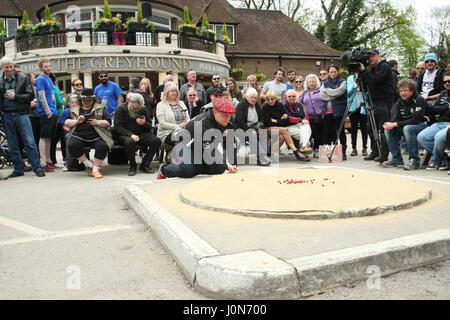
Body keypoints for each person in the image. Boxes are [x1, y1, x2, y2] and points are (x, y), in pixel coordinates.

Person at [156, 97, 238, 179]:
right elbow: (208, 151)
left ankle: (194, 167)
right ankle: (164, 169)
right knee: (187, 171)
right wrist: (226, 165)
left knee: (219, 168)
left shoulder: (229, 122)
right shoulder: (201, 125)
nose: (227, 118)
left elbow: (231, 141)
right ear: (215, 112)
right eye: (225, 115)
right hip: (184, 143)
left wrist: (232, 164)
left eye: (230, 115)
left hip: (201, 145)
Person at [0, 56, 45, 178]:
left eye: (11, 66)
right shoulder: (0, 80)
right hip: (7, 115)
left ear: (13, 67)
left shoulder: (23, 78)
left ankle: (37, 168)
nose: (9, 69)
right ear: (2, 68)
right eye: (6, 67)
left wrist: (15, 97)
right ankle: (18, 169)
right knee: (12, 144)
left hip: (22, 114)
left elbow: (30, 96)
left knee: (29, 142)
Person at [65, 88, 113, 178]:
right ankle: (90, 164)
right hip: (79, 135)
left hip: (97, 135)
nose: (86, 102)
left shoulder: (101, 108)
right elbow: (66, 122)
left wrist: (97, 122)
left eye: (89, 100)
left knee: (102, 145)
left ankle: (95, 170)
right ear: (81, 100)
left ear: (93, 100)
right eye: (84, 100)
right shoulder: (74, 110)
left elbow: (108, 123)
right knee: (72, 145)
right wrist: (77, 121)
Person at [383, 79, 428, 170]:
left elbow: (416, 120)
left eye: (405, 90)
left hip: (422, 125)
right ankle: (397, 158)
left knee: (408, 128)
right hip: (407, 126)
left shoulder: (419, 99)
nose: (403, 93)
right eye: (401, 91)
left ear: (412, 90)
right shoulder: (400, 101)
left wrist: (396, 124)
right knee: (389, 129)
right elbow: (397, 118)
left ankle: (414, 160)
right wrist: (390, 124)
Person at [359, 49, 394, 163]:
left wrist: (364, 71)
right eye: (368, 57)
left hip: (385, 101)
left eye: (372, 56)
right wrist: (361, 74)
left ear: (378, 56)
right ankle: (375, 151)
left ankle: (383, 154)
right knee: (371, 129)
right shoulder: (371, 70)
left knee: (383, 129)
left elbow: (375, 80)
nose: (370, 59)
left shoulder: (385, 67)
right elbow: (363, 85)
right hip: (374, 102)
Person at [113, 93, 161, 176]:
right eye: (136, 107)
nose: (137, 109)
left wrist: (143, 123)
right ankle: (133, 166)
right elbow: (117, 127)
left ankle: (145, 165)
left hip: (141, 133)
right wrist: (131, 135)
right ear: (130, 102)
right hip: (125, 135)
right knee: (129, 142)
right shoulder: (121, 109)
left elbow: (149, 126)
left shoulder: (143, 109)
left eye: (139, 107)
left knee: (156, 141)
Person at [262, 90, 310, 162]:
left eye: (272, 99)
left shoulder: (279, 105)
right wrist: (279, 120)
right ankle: (296, 151)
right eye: (268, 100)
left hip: (279, 127)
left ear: (275, 98)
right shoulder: (265, 107)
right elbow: (267, 122)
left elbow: (286, 120)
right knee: (284, 130)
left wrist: (275, 120)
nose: (270, 101)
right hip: (268, 128)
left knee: (282, 137)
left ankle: (271, 154)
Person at [417, 71, 450, 171]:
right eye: (445, 82)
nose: (447, 84)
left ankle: (435, 161)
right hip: (439, 123)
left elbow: (437, 109)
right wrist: (447, 107)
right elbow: (433, 109)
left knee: (439, 137)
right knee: (422, 137)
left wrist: (441, 109)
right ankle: (445, 158)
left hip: (449, 125)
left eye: (449, 81)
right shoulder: (443, 93)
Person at [235, 87, 270, 166]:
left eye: (255, 97)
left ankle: (263, 156)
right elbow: (240, 121)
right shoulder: (240, 105)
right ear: (246, 97)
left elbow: (261, 118)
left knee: (264, 133)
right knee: (251, 135)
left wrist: (259, 127)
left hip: (255, 127)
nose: (254, 99)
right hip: (242, 128)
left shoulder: (256, 105)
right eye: (252, 97)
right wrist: (249, 130)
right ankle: (261, 157)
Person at [320, 65, 348, 160]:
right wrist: (333, 94)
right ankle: (328, 152)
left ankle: (343, 153)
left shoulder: (343, 81)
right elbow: (322, 95)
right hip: (327, 111)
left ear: (338, 72)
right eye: (331, 72)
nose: (332, 74)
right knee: (327, 132)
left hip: (339, 110)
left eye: (334, 71)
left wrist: (329, 92)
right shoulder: (325, 83)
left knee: (341, 132)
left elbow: (340, 91)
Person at [36, 58, 58, 172]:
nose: (48, 68)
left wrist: (53, 110)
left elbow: (52, 95)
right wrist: (48, 111)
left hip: (53, 112)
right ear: (41, 68)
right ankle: (43, 162)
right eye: (46, 66)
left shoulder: (49, 78)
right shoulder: (40, 79)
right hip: (46, 113)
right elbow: (41, 96)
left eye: (49, 66)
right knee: (44, 137)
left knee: (49, 137)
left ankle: (49, 160)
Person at [298, 74, 325, 158]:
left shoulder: (320, 91)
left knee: (318, 134)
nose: (311, 83)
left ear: (316, 82)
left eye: (313, 81)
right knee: (311, 134)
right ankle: (311, 148)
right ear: (307, 83)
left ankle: (317, 149)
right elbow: (298, 103)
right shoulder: (305, 92)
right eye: (310, 82)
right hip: (308, 117)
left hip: (319, 116)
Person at [156, 83, 190, 147]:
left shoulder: (181, 103)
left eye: (176, 91)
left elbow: (188, 118)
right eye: (172, 91)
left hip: (184, 131)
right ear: (167, 92)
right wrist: (178, 126)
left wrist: (187, 124)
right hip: (167, 133)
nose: (174, 93)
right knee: (182, 138)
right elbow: (162, 124)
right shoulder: (161, 105)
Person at [282, 89, 312, 154]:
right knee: (305, 134)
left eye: (293, 96)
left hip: (299, 124)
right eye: (289, 96)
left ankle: (303, 146)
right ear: (286, 97)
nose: (291, 98)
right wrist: (301, 120)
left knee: (307, 126)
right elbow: (288, 118)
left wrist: (305, 120)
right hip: (288, 126)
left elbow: (304, 116)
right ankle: (305, 146)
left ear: (296, 97)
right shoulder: (283, 105)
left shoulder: (299, 105)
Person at [347, 73, 368, 157]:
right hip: (353, 106)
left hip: (363, 106)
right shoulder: (350, 78)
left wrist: (362, 87)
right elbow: (348, 93)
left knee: (364, 128)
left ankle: (364, 148)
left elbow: (368, 92)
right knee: (353, 129)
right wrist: (354, 86)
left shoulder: (365, 76)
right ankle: (354, 148)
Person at [49, 73, 66, 167]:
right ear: (54, 80)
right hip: (58, 116)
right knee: (56, 139)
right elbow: (59, 102)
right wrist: (64, 100)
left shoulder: (49, 87)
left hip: (54, 115)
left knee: (53, 140)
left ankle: (53, 160)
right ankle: (53, 160)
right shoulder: (55, 88)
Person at [28, 72, 40, 148]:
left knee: (38, 137)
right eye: (33, 77)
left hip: (38, 115)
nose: (35, 79)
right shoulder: (26, 89)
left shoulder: (36, 88)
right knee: (33, 138)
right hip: (31, 116)